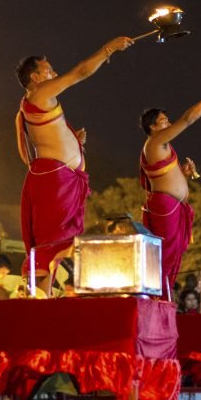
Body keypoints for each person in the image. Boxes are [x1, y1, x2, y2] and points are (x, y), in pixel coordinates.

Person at [14, 37, 134, 285]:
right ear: (35, 77)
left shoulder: (35, 99)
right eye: (48, 70)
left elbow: (48, 137)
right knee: (52, 243)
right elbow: (80, 72)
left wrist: (75, 141)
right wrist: (109, 48)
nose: (54, 72)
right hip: (55, 181)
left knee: (60, 243)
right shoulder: (39, 94)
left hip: (61, 180)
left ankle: (43, 296)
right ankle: (37, 301)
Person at [137, 92, 201, 300]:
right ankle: (158, 299)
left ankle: (164, 297)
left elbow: (166, 176)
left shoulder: (162, 145)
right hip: (165, 206)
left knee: (173, 255)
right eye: (163, 121)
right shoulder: (154, 141)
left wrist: (183, 173)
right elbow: (187, 119)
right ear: (152, 126)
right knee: (166, 255)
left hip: (174, 206)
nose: (168, 123)